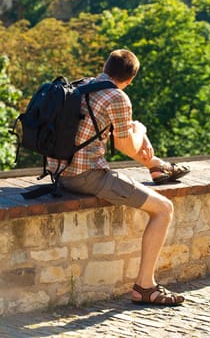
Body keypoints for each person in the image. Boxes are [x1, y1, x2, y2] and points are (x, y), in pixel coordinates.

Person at [47, 49, 189, 305]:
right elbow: (128, 147)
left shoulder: (84, 85)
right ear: (131, 79)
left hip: (60, 172)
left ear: (105, 66)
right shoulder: (117, 97)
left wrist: (135, 132)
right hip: (86, 176)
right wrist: (141, 130)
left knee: (139, 143)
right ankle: (145, 287)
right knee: (164, 209)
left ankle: (156, 167)